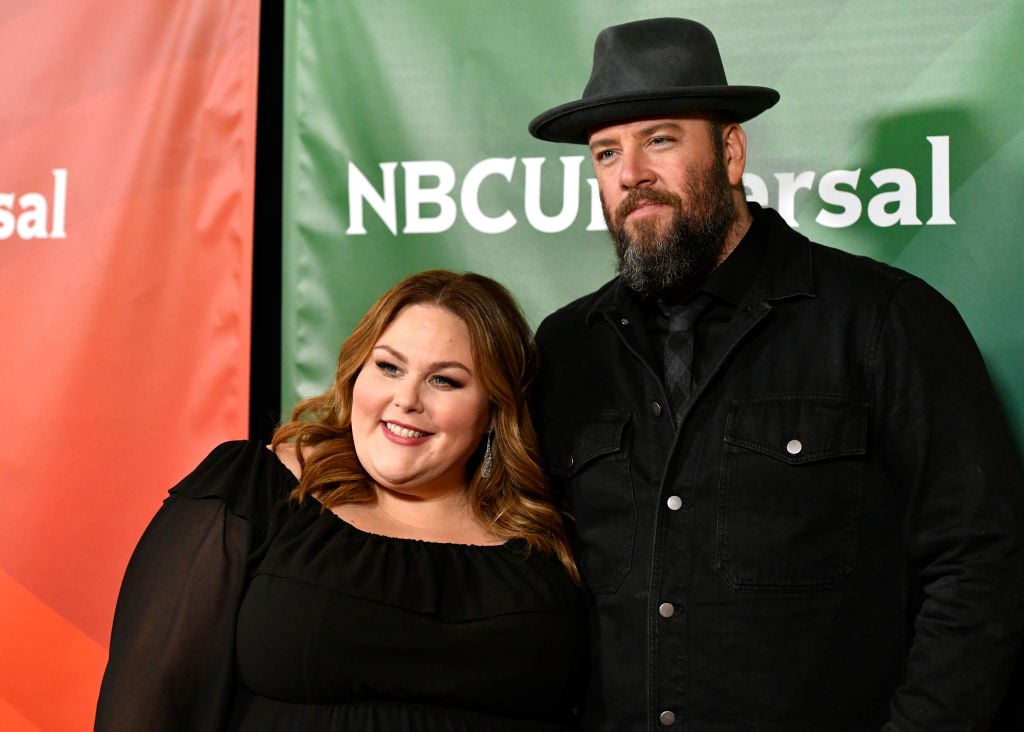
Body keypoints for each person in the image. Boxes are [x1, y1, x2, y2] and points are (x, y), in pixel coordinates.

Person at [527, 17, 1024, 732]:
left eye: (660, 138)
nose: (630, 172)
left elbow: (981, 564)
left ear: (730, 152)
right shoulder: (569, 346)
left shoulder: (885, 321)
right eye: (606, 153)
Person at [95, 270, 587, 730]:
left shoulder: (544, 545)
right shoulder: (259, 489)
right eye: (390, 367)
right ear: (356, 375)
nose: (406, 399)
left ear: (494, 409)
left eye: (445, 380)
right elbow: (147, 702)